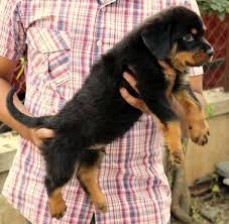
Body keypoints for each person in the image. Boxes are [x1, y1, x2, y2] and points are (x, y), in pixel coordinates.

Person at [0, 0, 205, 223]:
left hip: (137, 203)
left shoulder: (176, 5)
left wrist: (161, 99)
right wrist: (28, 130)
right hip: (43, 203)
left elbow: (192, 107)